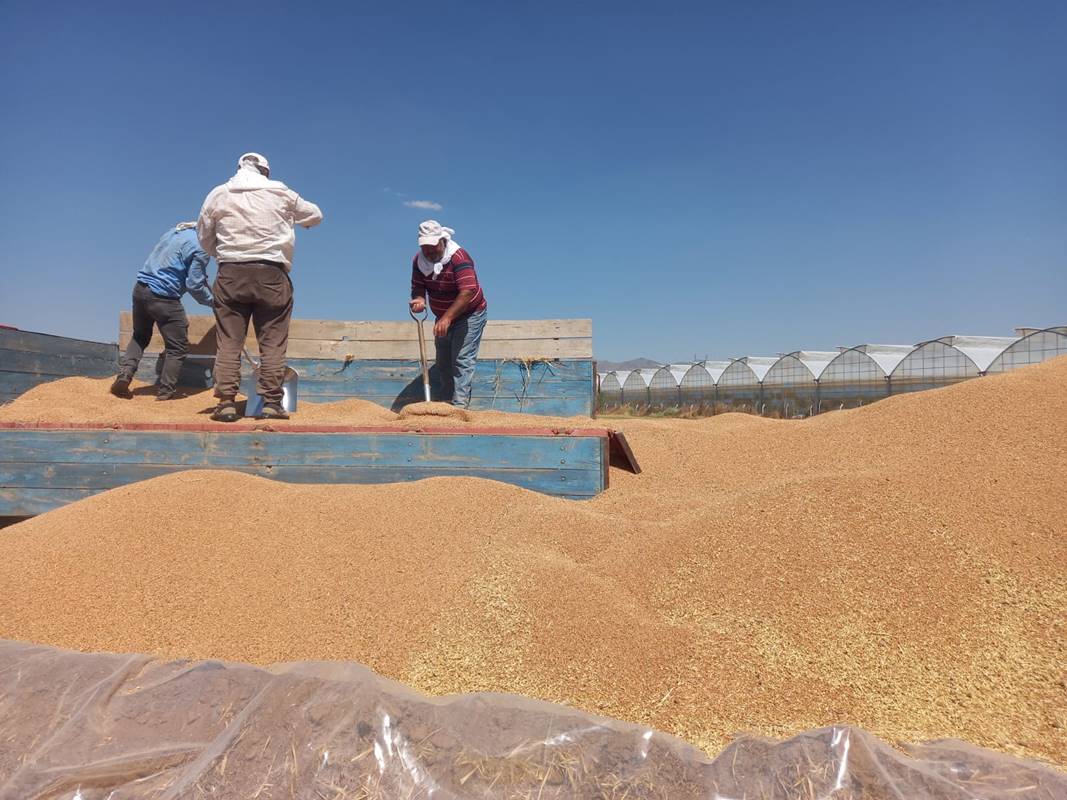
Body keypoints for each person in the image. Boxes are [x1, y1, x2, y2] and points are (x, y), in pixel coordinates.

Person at [197, 153, 322, 421]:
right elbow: (315, 215)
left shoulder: (219, 193)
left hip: (230, 272)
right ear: (265, 172)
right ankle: (271, 403)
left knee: (229, 342)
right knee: (273, 342)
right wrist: (301, 221)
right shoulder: (280, 192)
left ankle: (227, 404)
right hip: (271, 274)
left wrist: (224, 255)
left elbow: (204, 238)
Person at [111, 222, 214, 401]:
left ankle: (124, 376)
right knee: (177, 347)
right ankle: (166, 392)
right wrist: (215, 302)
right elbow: (194, 285)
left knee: (140, 336)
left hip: (140, 289)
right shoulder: (201, 248)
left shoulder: (176, 232)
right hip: (164, 297)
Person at [409, 220, 488, 407]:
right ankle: (446, 403)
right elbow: (417, 287)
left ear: (443, 241)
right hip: (443, 316)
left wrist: (447, 318)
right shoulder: (419, 261)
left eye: (433, 247)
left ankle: (459, 406)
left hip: (470, 313)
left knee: (462, 359)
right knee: (443, 360)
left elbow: (467, 291)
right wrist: (419, 300)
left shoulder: (459, 257)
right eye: (425, 247)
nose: (429, 252)